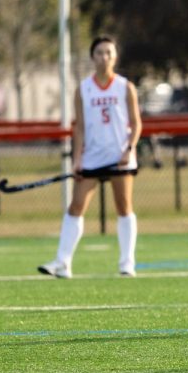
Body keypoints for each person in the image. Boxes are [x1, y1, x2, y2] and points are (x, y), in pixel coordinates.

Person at [38, 36, 142, 279]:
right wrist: (77, 159)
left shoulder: (125, 87)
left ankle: (127, 264)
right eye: (99, 53)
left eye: (108, 53)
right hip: (92, 157)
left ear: (114, 57)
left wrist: (129, 149)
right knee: (76, 206)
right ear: (92, 57)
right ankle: (63, 262)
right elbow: (80, 127)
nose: (104, 57)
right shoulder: (83, 89)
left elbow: (136, 124)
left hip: (119, 157)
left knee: (124, 207)